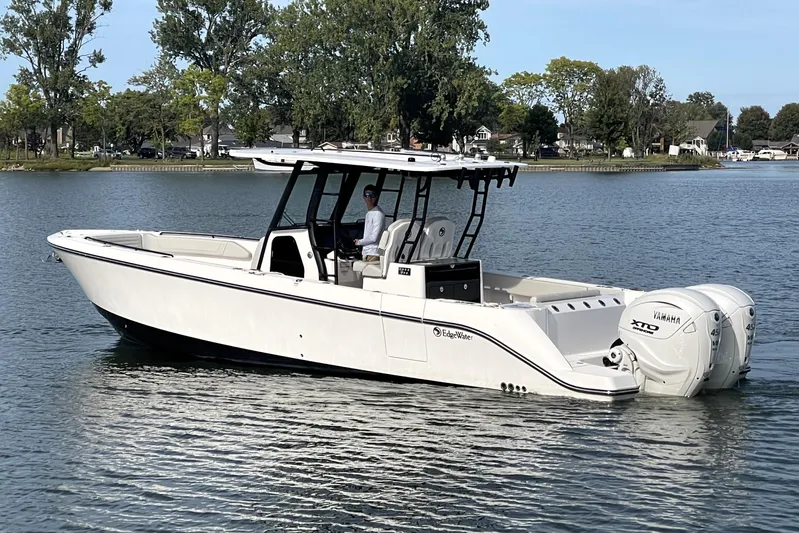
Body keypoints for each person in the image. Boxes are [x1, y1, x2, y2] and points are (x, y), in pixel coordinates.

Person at [354, 184, 386, 262]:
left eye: (372, 195)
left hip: (374, 254)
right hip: (367, 253)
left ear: (376, 197)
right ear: (363, 197)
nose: (369, 198)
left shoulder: (378, 214)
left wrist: (359, 242)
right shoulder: (369, 213)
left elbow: (374, 238)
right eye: (367, 195)